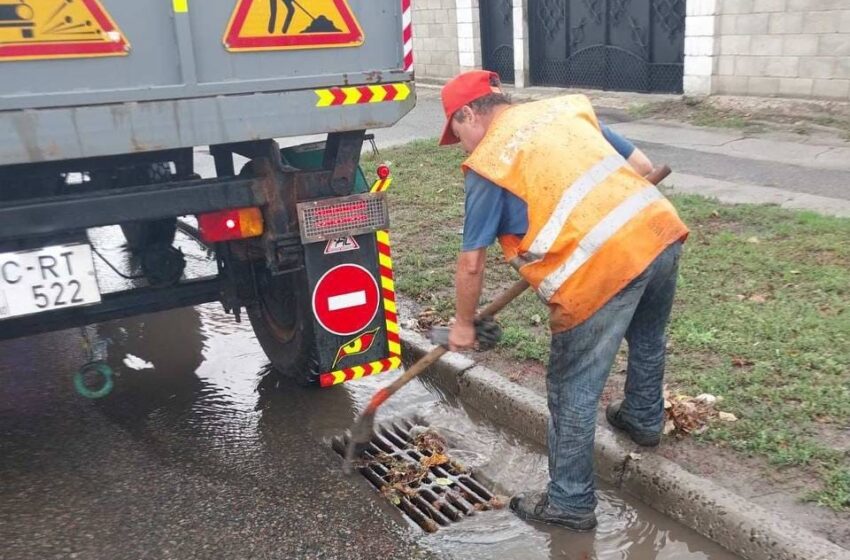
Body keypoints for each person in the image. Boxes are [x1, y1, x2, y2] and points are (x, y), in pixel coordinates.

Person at [439, 70, 689, 531]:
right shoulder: (562, 108)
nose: (464, 147)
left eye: (458, 134)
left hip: (599, 270)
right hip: (659, 232)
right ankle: (642, 418)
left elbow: (471, 262)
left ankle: (570, 502)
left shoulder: (490, 162)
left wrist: (461, 324)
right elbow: (640, 165)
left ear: (469, 114)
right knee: (649, 336)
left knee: (571, 388)